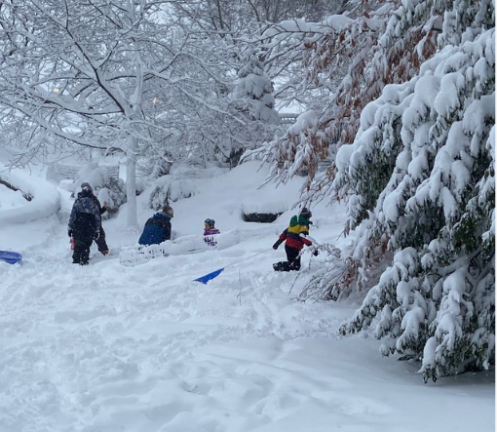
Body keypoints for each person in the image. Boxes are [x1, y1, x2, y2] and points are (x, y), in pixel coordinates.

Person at [272, 207, 317, 271]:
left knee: (292, 263)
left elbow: (285, 233)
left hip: (288, 246)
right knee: (296, 266)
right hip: (295, 247)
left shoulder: (294, 223)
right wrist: (312, 248)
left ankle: (279, 266)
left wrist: (277, 243)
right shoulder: (304, 225)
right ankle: (279, 266)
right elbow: (304, 237)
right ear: (307, 216)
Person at [68, 183, 102, 265]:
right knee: (86, 245)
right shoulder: (94, 204)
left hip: (78, 227)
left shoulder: (78, 202)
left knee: (78, 244)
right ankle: (84, 259)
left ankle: (76, 260)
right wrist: (97, 230)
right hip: (89, 228)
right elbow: (97, 219)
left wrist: (70, 228)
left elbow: (72, 216)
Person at [80, 182, 110, 255]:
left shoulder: (93, 199)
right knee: (98, 237)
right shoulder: (83, 200)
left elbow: (97, 211)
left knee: (99, 237)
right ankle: (84, 256)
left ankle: (104, 251)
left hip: (93, 223)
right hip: (91, 223)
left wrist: (104, 208)